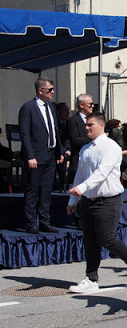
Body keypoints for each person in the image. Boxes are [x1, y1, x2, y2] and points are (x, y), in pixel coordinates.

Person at [67, 112, 127, 293]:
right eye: (86, 125)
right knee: (90, 241)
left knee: (106, 238)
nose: (87, 128)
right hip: (88, 201)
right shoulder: (86, 149)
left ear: (101, 126)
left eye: (90, 125)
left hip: (108, 200)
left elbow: (101, 173)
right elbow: (80, 175)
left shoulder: (111, 147)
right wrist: (73, 200)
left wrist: (82, 188)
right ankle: (91, 278)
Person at [19, 76, 64, 234]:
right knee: (33, 189)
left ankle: (45, 221)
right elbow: (25, 134)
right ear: (40, 90)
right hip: (36, 156)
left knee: (46, 189)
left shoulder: (50, 107)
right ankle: (31, 222)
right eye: (50, 90)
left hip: (50, 155)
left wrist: (59, 151)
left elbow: (55, 130)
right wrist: (30, 156)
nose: (52, 92)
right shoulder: (28, 108)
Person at [67, 94, 94, 189]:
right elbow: (75, 140)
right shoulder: (73, 121)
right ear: (81, 105)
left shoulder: (94, 120)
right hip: (78, 160)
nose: (92, 106)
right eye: (90, 104)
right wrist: (93, 139)